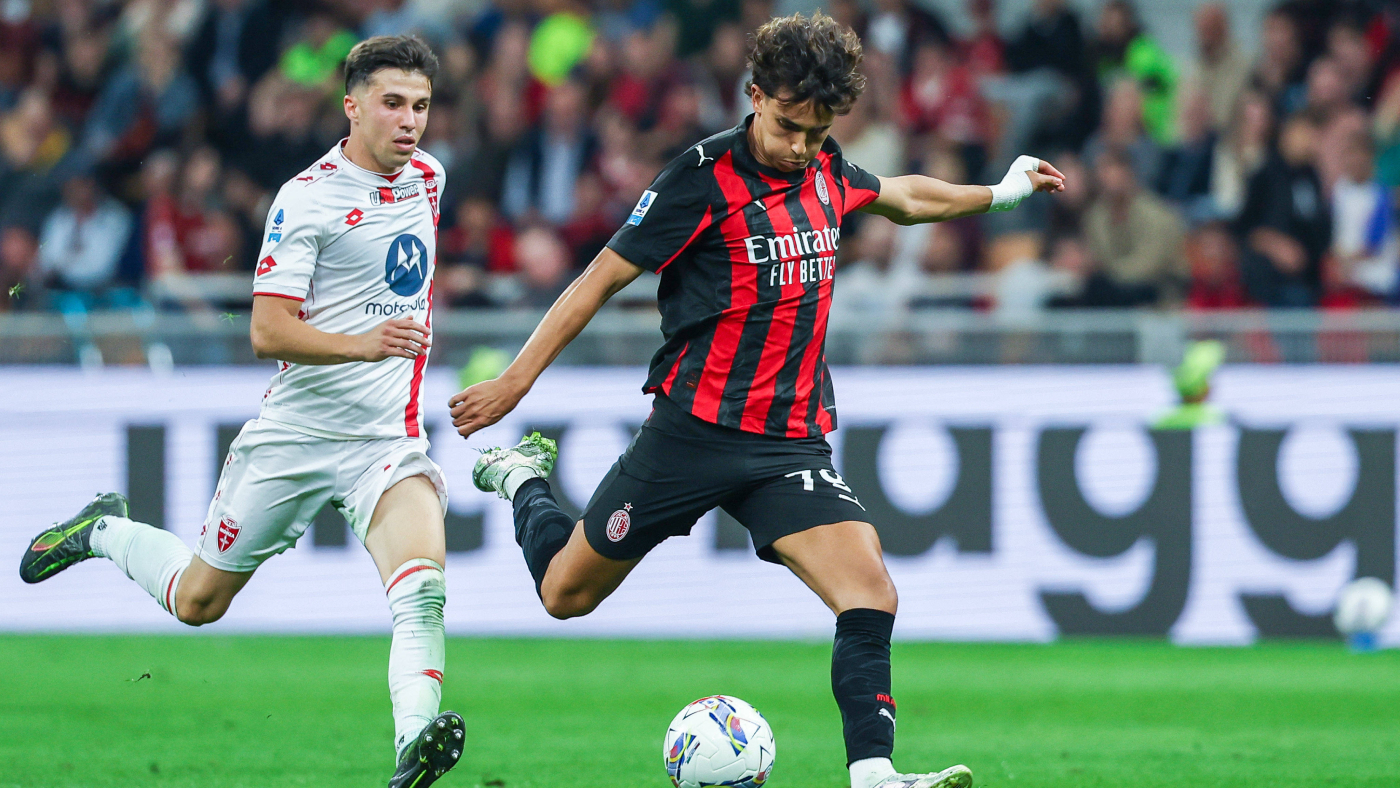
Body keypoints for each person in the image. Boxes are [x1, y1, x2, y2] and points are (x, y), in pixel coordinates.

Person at [448, 13, 1063, 788]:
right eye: (788, 127)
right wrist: (516, 379)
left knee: (869, 590)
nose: (801, 146)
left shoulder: (826, 167)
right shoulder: (698, 179)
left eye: (818, 132)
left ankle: (874, 774)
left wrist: (1002, 193)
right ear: (756, 95)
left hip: (786, 444)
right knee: (565, 594)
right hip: (691, 433)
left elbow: (904, 196)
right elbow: (598, 279)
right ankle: (521, 480)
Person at [18, 36, 464, 788]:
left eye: (420, 106)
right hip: (296, 436)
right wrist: (361, 345)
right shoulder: (306, 198)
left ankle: (413, 749)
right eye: (393, 103)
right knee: (197, 601)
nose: (410, 121)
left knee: (422, 591)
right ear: (351, 107)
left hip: (385, 441)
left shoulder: (430, 177)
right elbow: (267, 331)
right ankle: (102, 529)